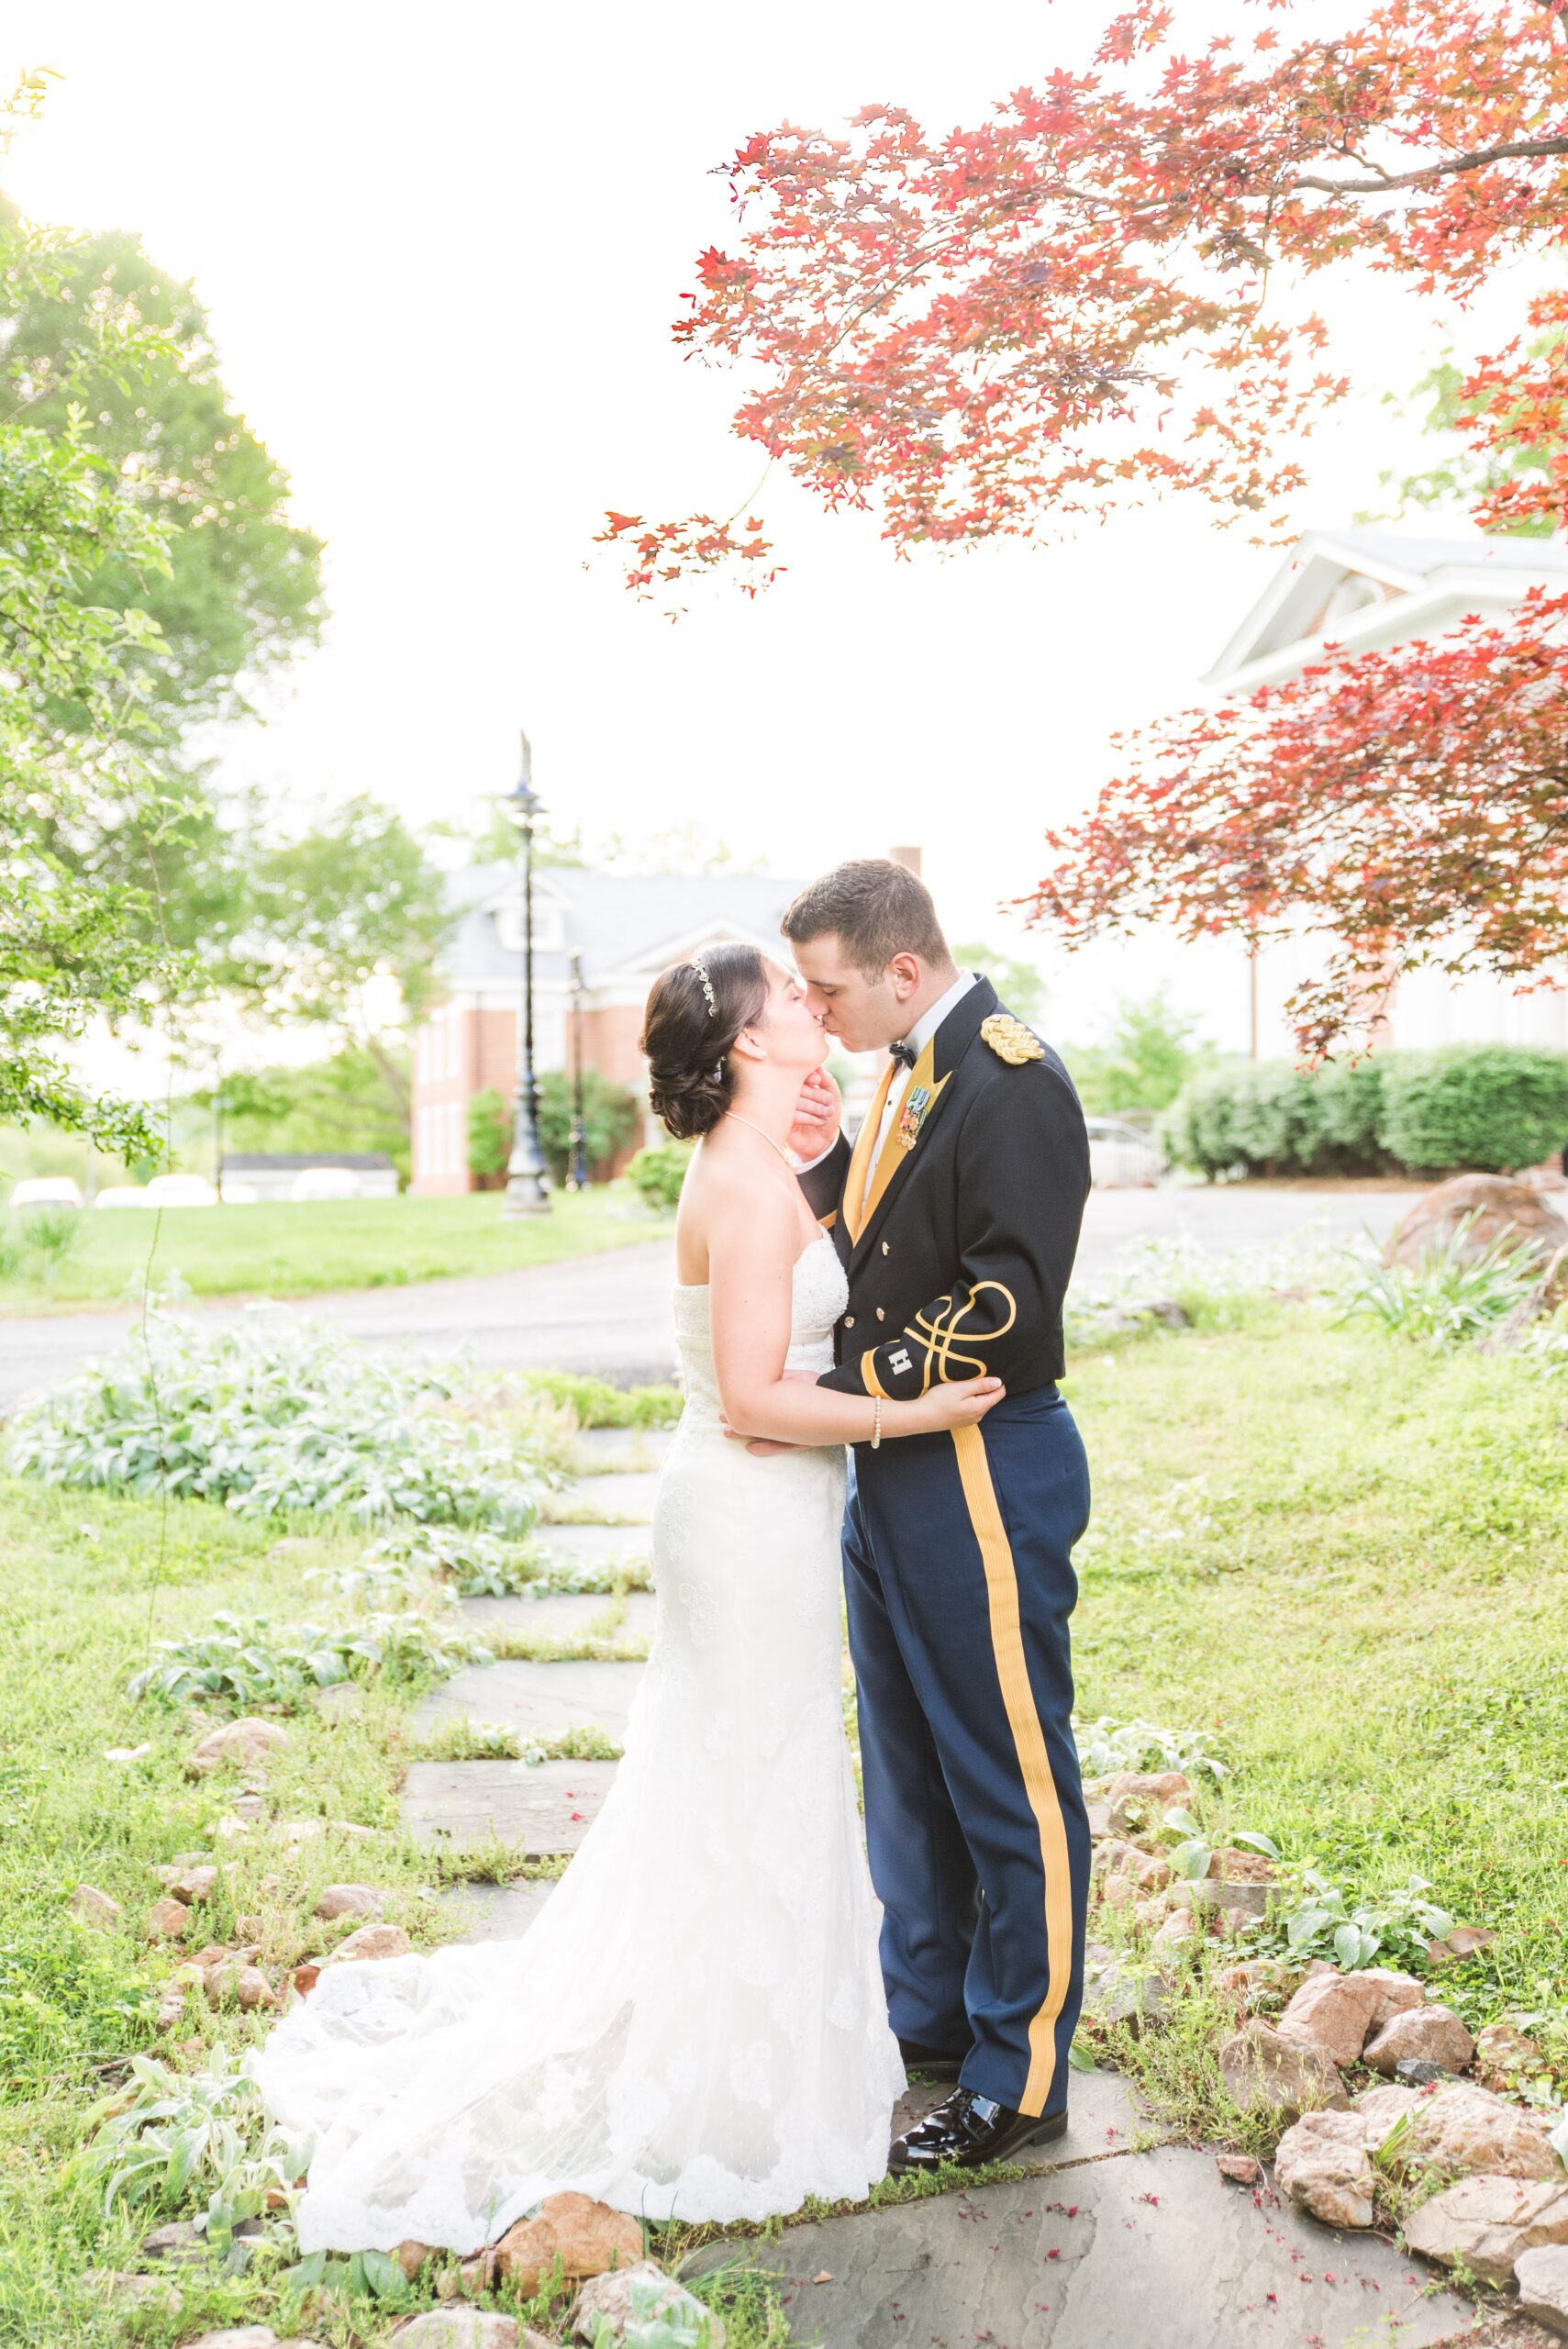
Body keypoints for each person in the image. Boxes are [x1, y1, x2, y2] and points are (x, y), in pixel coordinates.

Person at [251, 941, 1003, 2253]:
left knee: (740, 1775)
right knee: (754, 1775)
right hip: (747, 1515)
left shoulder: (763, 1170)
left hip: (751, 1510)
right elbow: (764, 1399)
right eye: (794, 1003)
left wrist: (820, 1155)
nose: (817, 1014)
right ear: (754, 1044)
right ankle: (725, 2070)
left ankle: (735, 2030)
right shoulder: (748, 1191)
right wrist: (920, 1407)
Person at [776, 859, 1093, 2175]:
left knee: (1006, 1775)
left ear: (901, 970)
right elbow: (884, 1255)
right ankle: (929, 2019)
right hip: (895, 1456)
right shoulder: (911, 1069)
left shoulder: (1012, 1078)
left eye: (827, 985)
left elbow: (1007, 1303)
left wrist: (859, 1384)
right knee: (907, 1766)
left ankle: (1018, 2076)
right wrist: (822, 1164)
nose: (814, 1008)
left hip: (971, 1453)